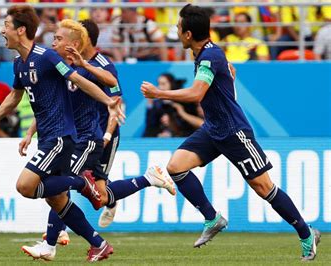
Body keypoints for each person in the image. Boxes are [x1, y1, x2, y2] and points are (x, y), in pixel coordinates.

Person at [140, 4, 320, 261]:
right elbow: (221, 81)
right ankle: (212, 218)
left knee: (263, 187)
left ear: (188, 34)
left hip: (234, 132)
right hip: (213, 129)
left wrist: (159, 93)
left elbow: (196, 93)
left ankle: (305, 233)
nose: (177, 32)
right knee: (176, 166)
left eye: (179, 28)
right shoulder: (207, 54)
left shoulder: (209, 56)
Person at [0, 5, 124, 262]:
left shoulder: (47, 57)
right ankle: (98, 244)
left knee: (25, 186)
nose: (2, 31)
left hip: (60, 138)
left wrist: (106, 100)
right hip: (48, 138)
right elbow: (15, 96)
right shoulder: (19, 63)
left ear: (20, 30)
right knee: (56, 199)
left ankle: (80, 182)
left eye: (6, 26)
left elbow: (80, 80)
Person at [20, 19, 175, 261]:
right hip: (78, 134)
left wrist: (106, 134)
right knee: (99, 197)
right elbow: (54, 103)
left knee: (66, 180)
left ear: (80, 41)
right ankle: (149, 178)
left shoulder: (99, 64)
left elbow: (115, 100)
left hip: (96, 136)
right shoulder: (63, 64)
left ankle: (52, 240)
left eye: (61, 38)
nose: (55, 42)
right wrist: (31, 131)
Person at [143, 73, 202, 137]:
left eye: (163, 84)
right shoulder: (157, 104)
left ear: (171, 84)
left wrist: (179, 114)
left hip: (184, 135)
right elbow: (150, 125)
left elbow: (195, 124)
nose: (160, 87)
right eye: (159, 84)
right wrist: (150, 105)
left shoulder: (183, 101)